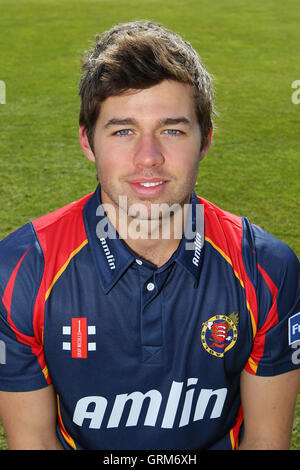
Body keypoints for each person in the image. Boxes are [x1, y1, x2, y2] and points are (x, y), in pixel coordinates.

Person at [0, 20, 299, 451]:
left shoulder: (268, 268)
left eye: (172, 130)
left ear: (206, 139)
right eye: (123, 130)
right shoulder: (20, 272)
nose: (149, 158)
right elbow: (36, 444)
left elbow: (266, 442)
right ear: (87, 141)